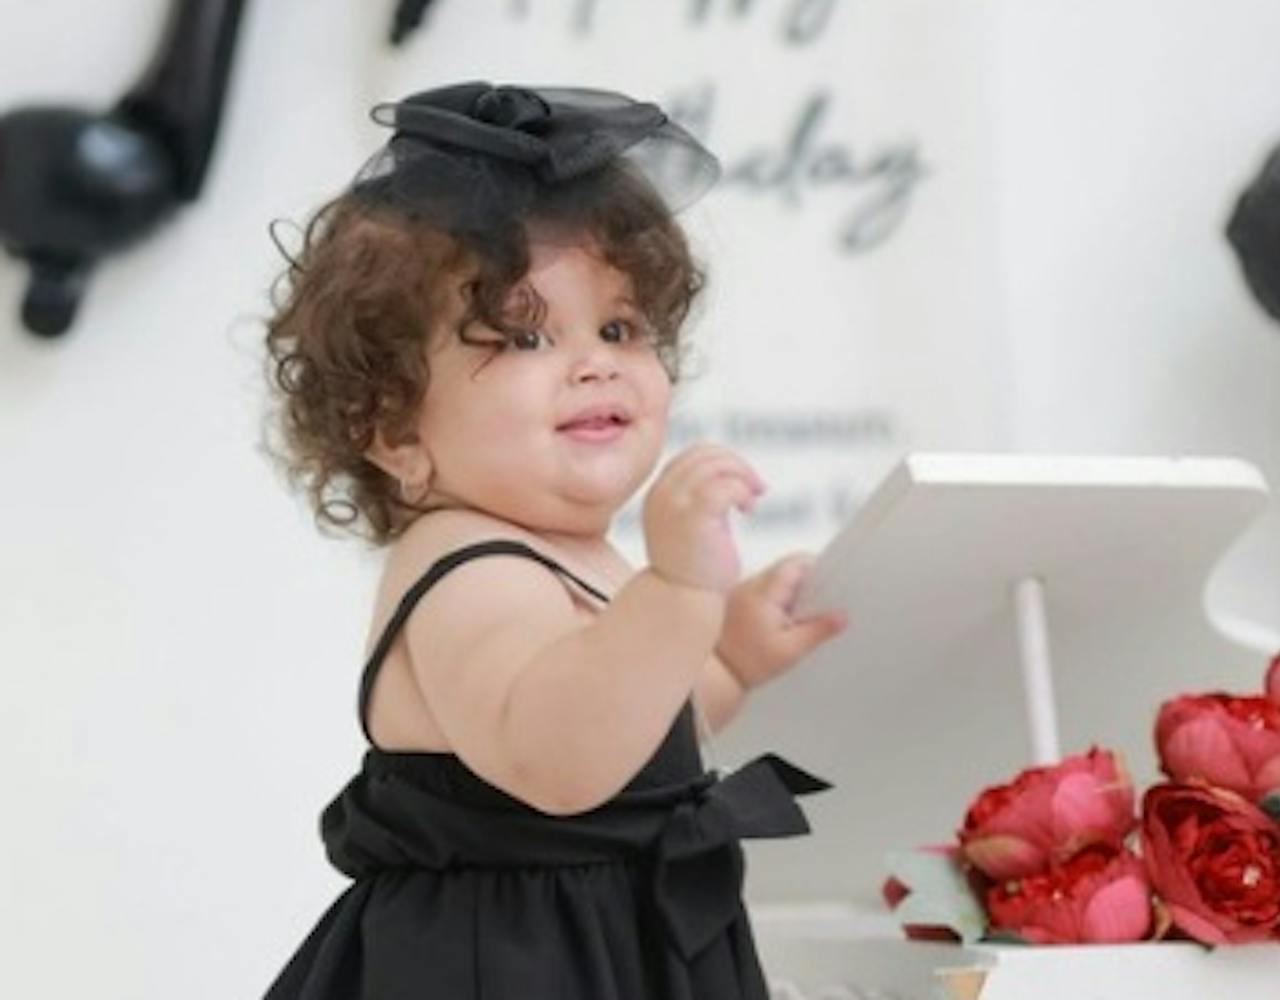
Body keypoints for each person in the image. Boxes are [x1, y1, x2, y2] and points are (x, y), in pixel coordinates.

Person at [257, 80, 850, 1000]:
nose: (595, 362)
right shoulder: (465, 569)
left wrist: (729, 654)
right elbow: (560, 756)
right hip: (505, 966)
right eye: (524, 337)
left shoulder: (579, 556)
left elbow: (636, 726)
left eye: (619, 327)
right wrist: (677, 593)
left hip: (613, 942)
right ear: (395, 429)